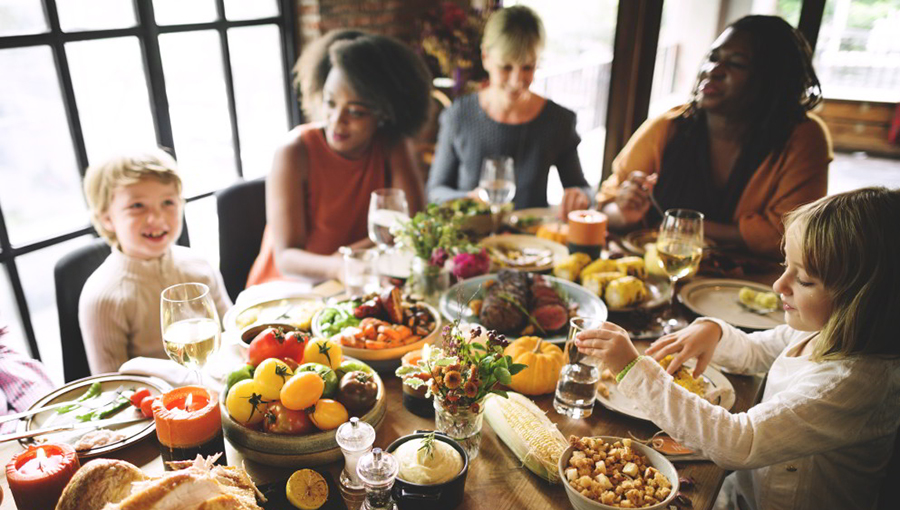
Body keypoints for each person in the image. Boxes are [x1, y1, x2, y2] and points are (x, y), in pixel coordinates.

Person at [575, 187, 900, 510]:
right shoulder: (825, 330)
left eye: (803, 279)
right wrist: (713, 329)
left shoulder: (856, 382)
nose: (778, 284)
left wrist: (632, 369)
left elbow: (736, 442)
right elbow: (758, 349)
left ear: (861, 301)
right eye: (787, 266)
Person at [598, 15, 832, 257]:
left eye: (736, 63)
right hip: (656, 279)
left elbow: (794, 234)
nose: (714, 71)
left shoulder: (803, 137)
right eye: (713, 58)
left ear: (772, 79)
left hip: (749, 287)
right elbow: (605, 207)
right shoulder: (667, 127)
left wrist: (685, 226)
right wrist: (624, 213)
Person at [247, 30, 432, 285]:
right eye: (330, 103)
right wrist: (339, 265)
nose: (337, 121)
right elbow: (286, 258)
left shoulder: (393, 144)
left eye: (356, 112)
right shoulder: (293, 151)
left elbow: (412, 223)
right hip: (291, 290)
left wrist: (351, 258)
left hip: (359, 280)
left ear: (384, 113)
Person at [426, 5, 592, 216]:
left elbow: (583, 188)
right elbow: (435, 192)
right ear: (486, 58)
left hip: (531, 244)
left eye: (528, 67)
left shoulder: (558, 121)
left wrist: (580, 196)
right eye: (506, 67)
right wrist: (466, 199)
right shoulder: (458, 116)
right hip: (471, 239)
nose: (517, 81)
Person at [79, 149, 232, 375]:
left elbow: (231, 336)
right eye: (137, 206)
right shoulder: (103, 298)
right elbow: (113, 387)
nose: (157, 218)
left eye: (168, 202)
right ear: (107, 219)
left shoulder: (200, 266)